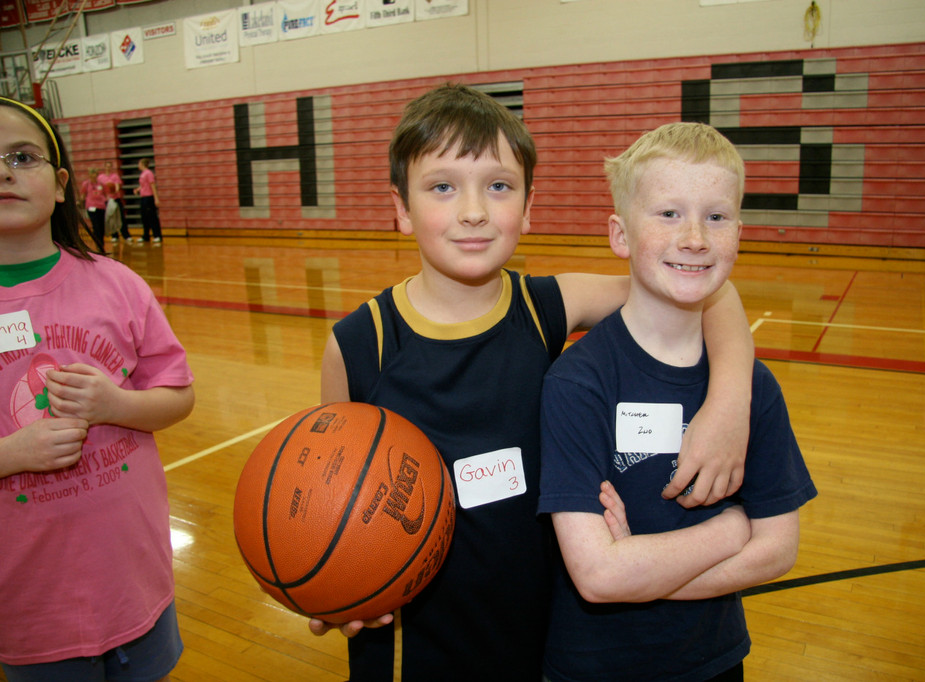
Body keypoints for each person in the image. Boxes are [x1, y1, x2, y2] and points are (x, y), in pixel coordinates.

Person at [310, 84, 756, 681]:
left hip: (542, 639)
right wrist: (333, 578)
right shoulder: (359, 344)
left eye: (498, 185)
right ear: (401, 207)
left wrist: (729, 403)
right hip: (409, 650)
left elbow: (709, 289)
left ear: (527, 206)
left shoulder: (547, 304)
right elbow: (330, 500)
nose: (474, 210)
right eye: (442, 186)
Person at [537, 122, 818, 682]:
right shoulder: (578, 382)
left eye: (716, 216)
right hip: (593, 667)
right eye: (668, 214)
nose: (695, 237)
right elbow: (597, 577)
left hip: (713, 662)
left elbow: (779, 550)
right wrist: (731, 531)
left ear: (739, 230)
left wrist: (640, 570)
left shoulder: (752, 386)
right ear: (620, 235)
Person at [0, 97, 195, 682]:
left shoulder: (118, 283)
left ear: (61, 185)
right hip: (31, 606)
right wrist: (12, 455)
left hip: (136, 583)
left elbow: (178, 396)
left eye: (22, 156)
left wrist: (118, 405)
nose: (4, 170)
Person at [98, 160, 132, 243]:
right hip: (107, 200)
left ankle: (126, 235)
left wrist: (114, 190)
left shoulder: (115, 176)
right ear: (104, 167)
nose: (108, 168)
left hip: (116, 199)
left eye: (110, 166)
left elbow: (117, 187)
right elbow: (99, 189)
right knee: (111, 219)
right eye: (107, 166)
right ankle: (114, 235)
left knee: (120, 217)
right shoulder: (101, 177)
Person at [79, 167, 107, 254]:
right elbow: (83, 195)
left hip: (101, 206)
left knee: (101, 226)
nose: (94, 175)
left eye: (96, 174)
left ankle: (101, 242)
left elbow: (105, 193)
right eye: (93, 174)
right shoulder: (86, 184)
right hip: (91, 207)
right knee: (96, 226)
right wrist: (80, 203)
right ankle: (99, 245)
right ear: (90, 175)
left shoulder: (101, 184)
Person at [134, 157, 162, 244]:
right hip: (143, 197)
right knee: (144, 217)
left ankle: (157, 235)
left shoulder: (149, 173)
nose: (138, 165)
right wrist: (138, 189)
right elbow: (143, 185)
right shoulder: (142, 174)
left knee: (152, 217)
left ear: (142, 164)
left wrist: (156, 198)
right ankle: (146, 235)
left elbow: (152, 185)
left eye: (139, 163)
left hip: (149, 197)